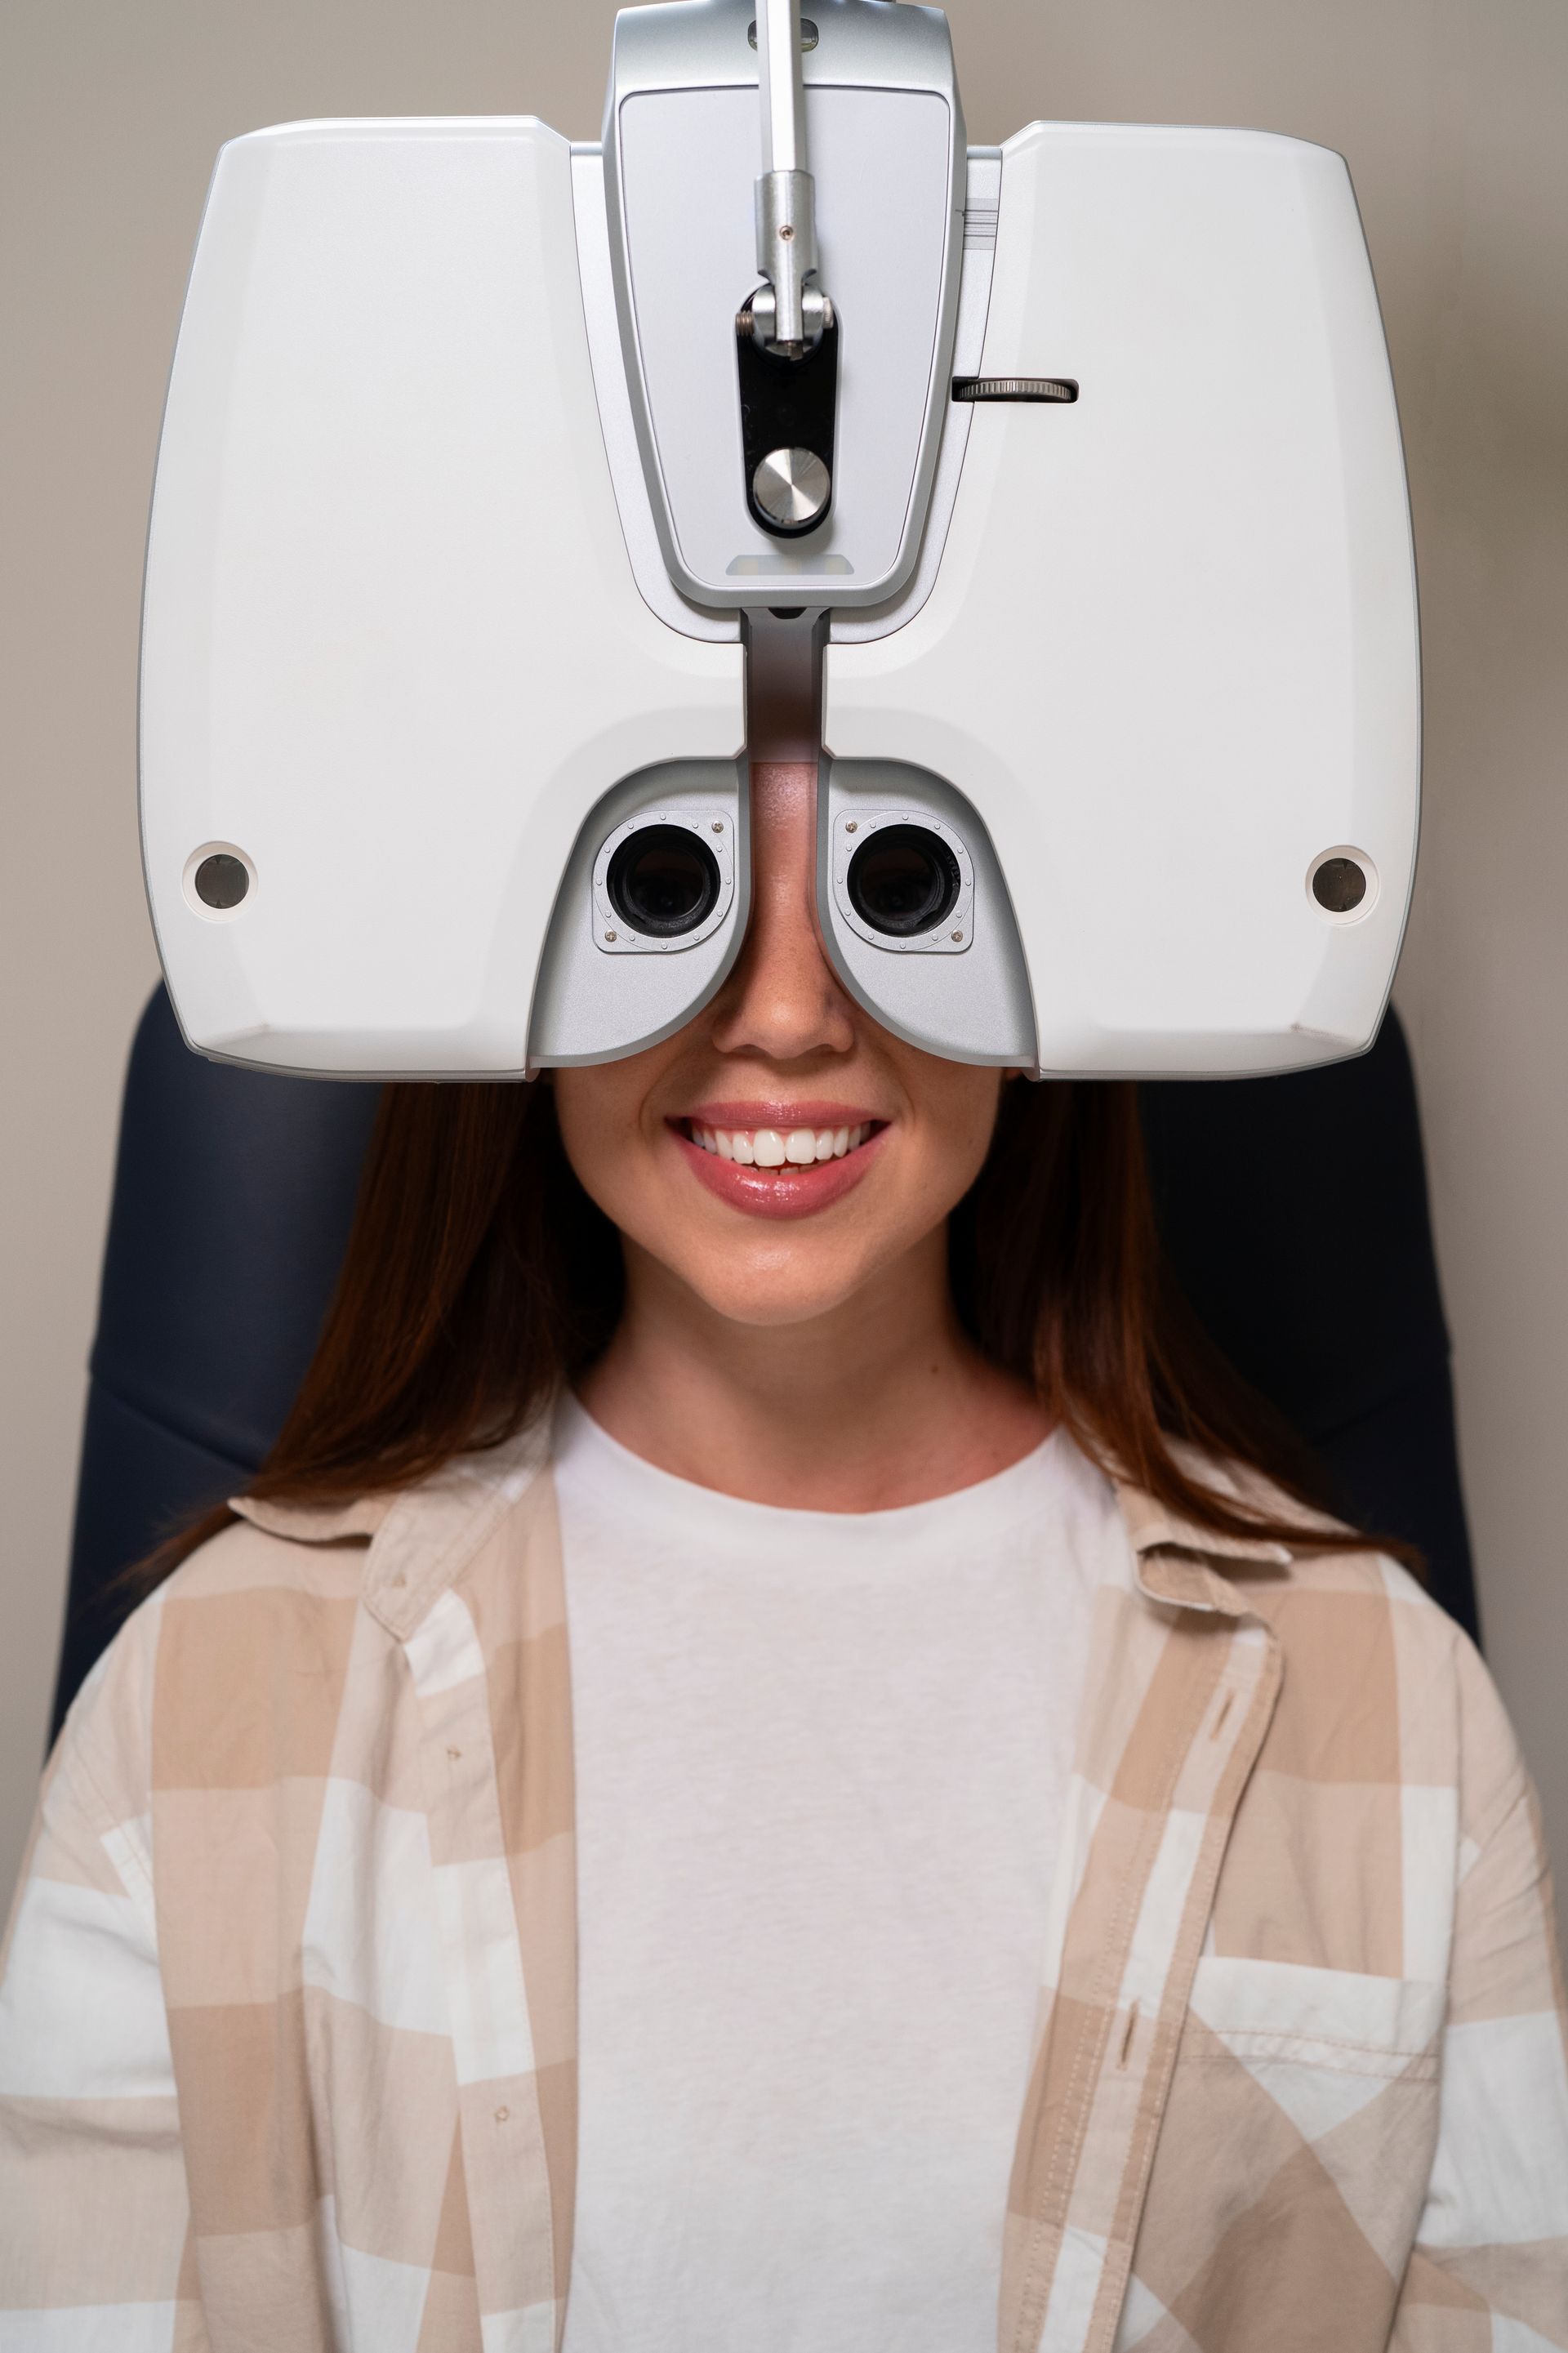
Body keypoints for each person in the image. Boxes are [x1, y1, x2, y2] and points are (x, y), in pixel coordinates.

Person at [2, 763, 1564, 2352]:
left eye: (898, 888)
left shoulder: (1391, 1703)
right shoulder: (199, 1707)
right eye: (670, 886)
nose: (790, 1013)